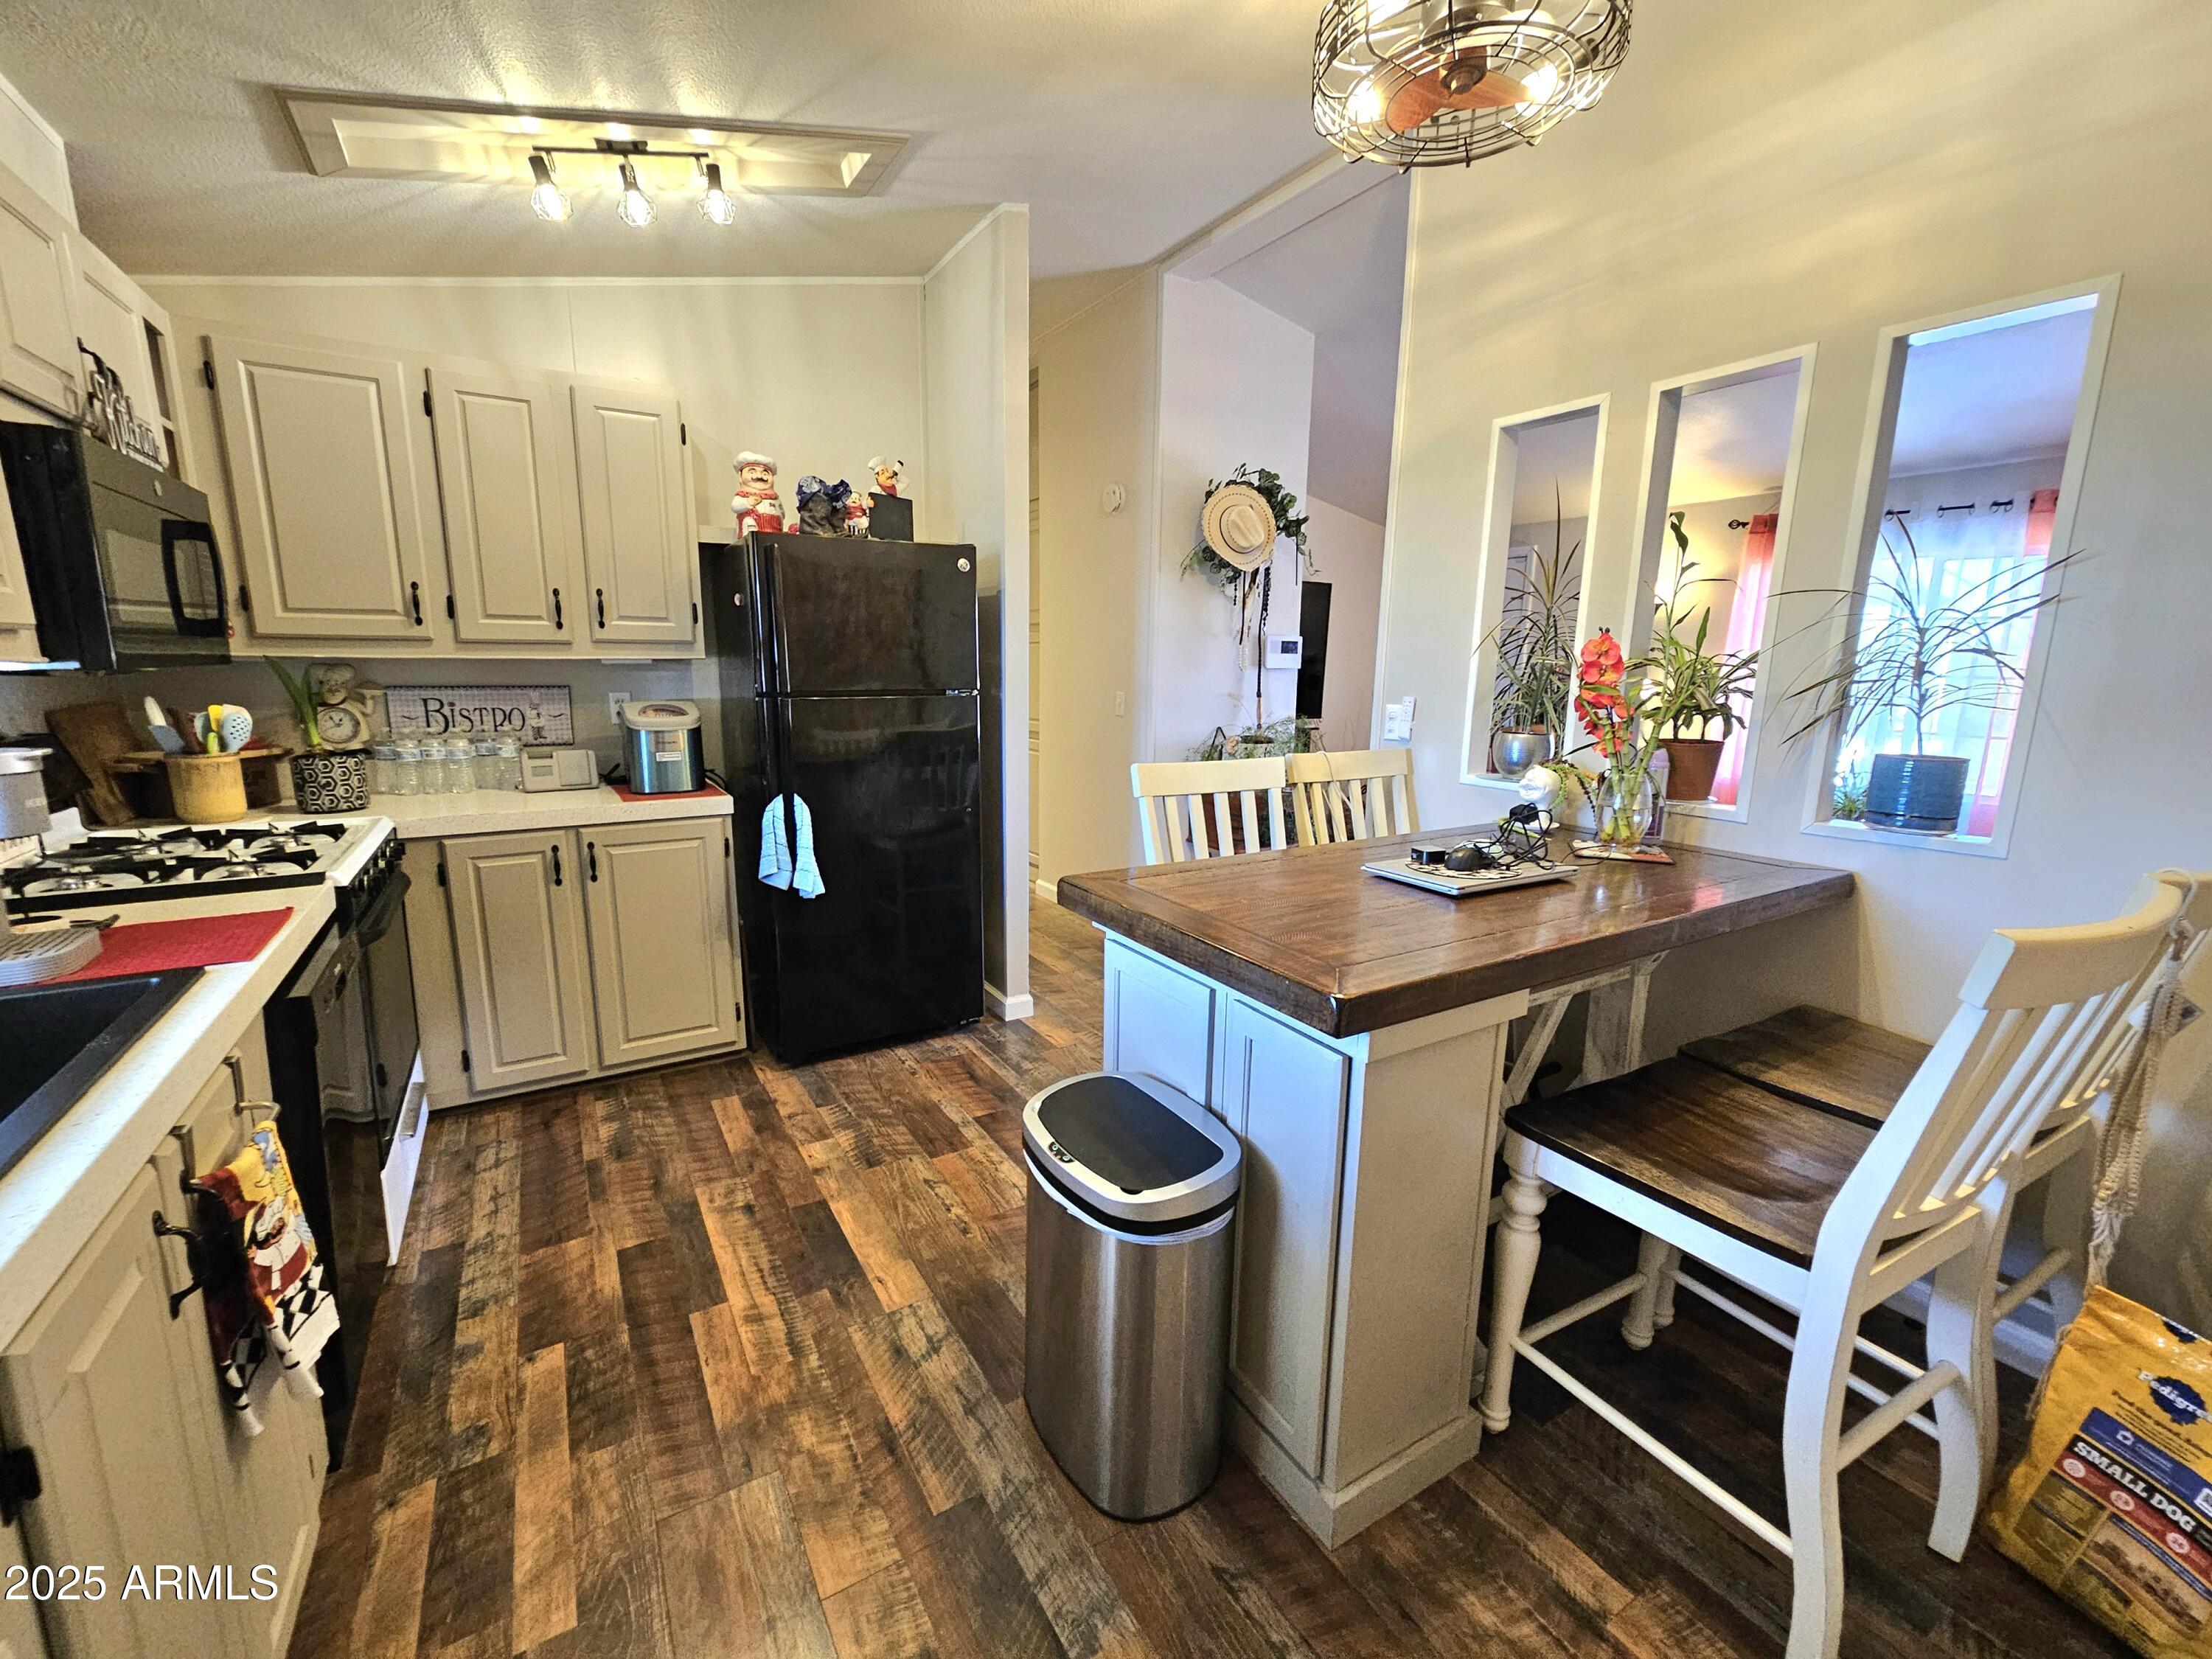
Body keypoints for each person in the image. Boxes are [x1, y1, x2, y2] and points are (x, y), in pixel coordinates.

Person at [732, 451, 785, 536]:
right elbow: (735, 506)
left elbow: (782, 512)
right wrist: (747, 503)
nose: (760, 476)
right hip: (753, 533)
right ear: (740, 477)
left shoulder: (774, 498)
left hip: (775, 531)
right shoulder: (743, 495)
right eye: (752, 472)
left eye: (765, 473)